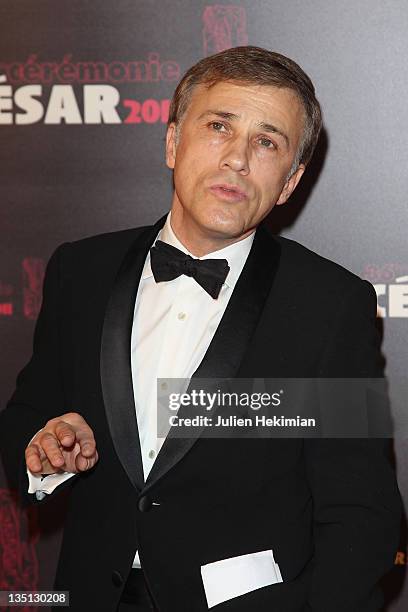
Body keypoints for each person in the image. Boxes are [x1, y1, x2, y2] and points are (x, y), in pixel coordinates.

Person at [0, 46, 401, 612]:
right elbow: (26, 416)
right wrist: (44, 451)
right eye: (218, 126)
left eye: (267, 142)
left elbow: (362, 512)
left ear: (289, 182)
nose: (238, 158)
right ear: (171, 142)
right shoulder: (80, 270)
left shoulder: (331, 305)